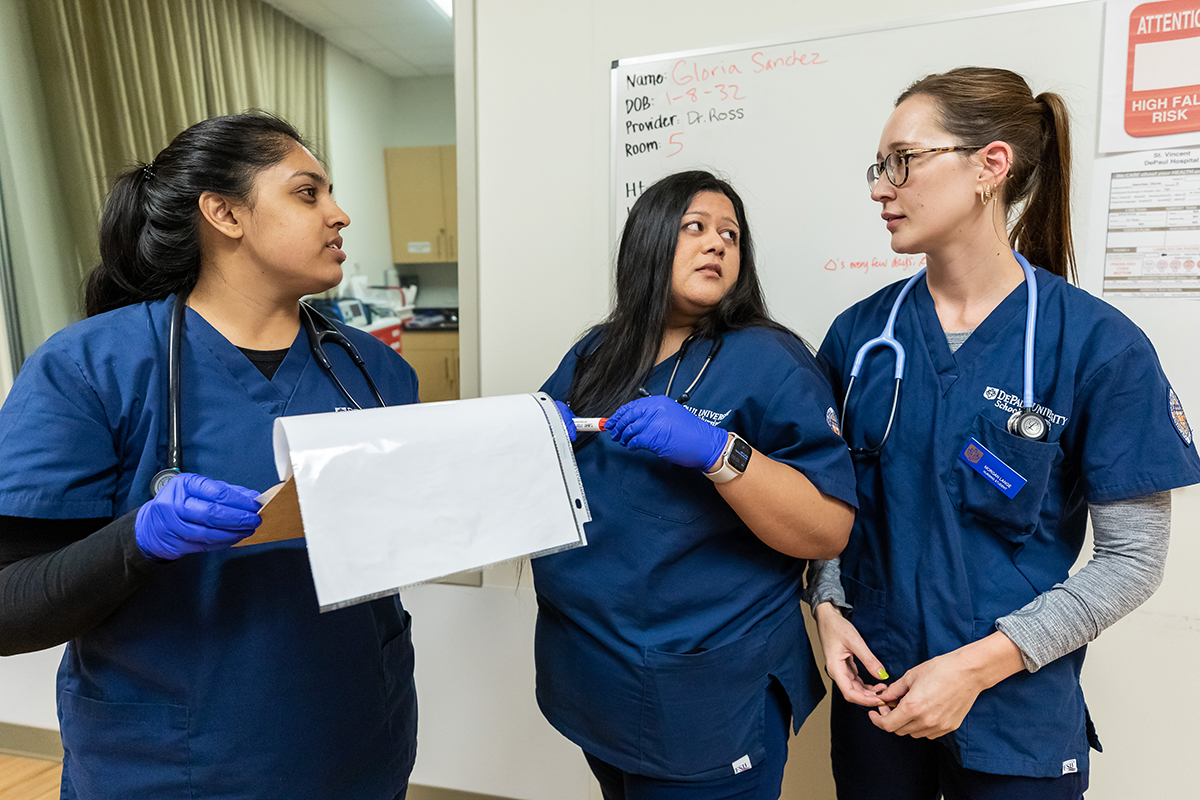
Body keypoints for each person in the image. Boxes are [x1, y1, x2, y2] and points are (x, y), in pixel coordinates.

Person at [0, 113, 419, 799]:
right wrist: (137, 540)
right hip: (171, 763)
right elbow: (9, 607)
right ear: (223, 213)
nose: (340, 215)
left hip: (355, 741)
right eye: (308, 193)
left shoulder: (373, 369)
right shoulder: (89, 368)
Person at [811, 67, 1200, 800]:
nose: (878, 188)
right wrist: (826, 608)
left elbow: (1133, 561)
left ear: (991, 165)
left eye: (902, 161)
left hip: (1013, 713)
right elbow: (823, 504)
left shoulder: (1096, 346)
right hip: (876, 688)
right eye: (877, 166)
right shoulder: (863, 338)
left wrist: (976, 667)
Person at [540, 170, 857, 799]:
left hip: (708, 688)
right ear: (649, 240)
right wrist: (530, 437)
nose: (717, 244)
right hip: (593, 670)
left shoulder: (770, 361)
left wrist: (721, 454)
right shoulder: (597, 354)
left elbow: (827, 528)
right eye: (695, 227)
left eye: (730, 235)